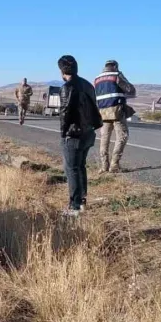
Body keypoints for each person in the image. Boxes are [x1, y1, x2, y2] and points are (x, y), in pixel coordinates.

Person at [58, 55, 103, 215]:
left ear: (62, 71)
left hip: (74, 134)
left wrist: (63, 133)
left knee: (72, 169)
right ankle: (82, 200)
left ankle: (74, 206)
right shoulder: (87, 85)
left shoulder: (67, 87)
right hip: (88, 132)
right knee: (80, 166)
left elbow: (65, 113)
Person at [94, 60, 137, 173]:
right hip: (116, 111)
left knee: (104, 138)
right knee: (122, 136)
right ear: (115, 66)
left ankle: (104, 166)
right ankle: (114, 165)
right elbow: (130, 90)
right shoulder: (116, 75)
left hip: (102, 112)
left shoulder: (97, 79)